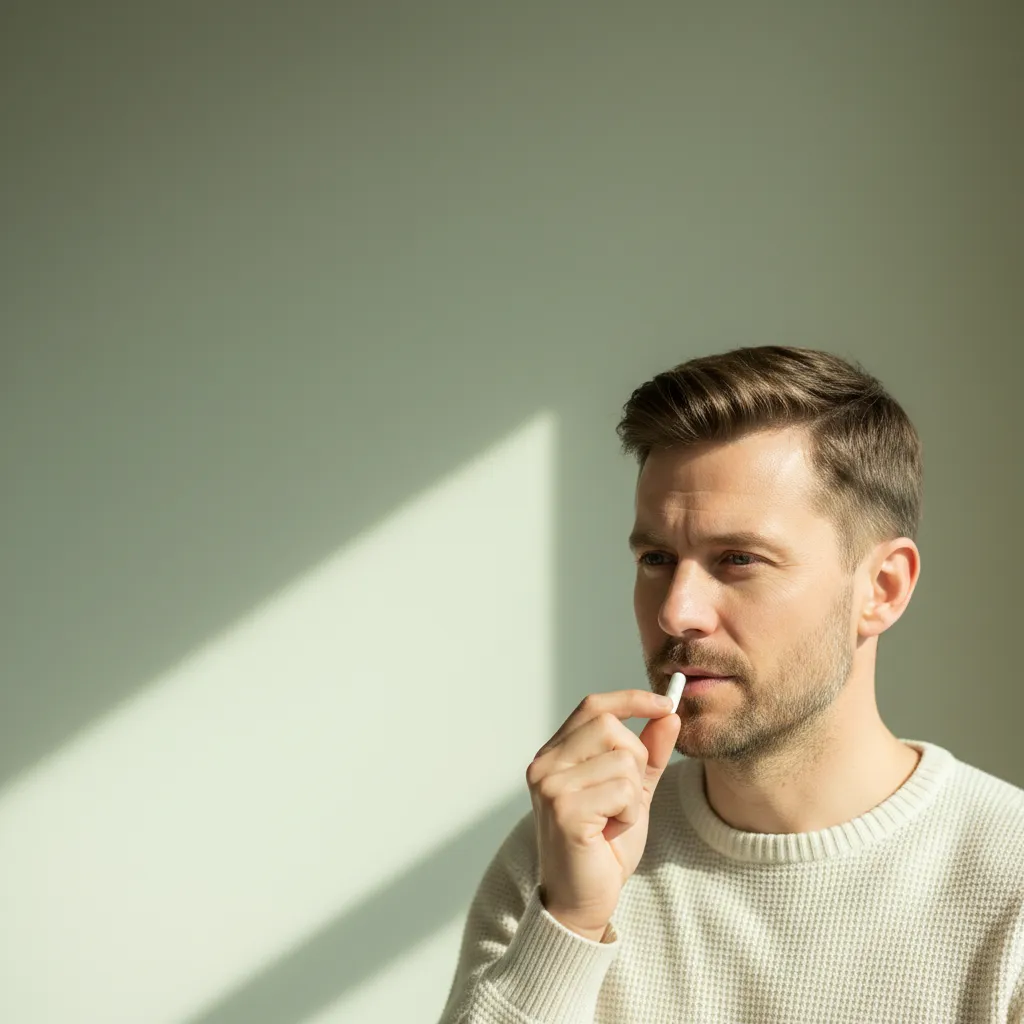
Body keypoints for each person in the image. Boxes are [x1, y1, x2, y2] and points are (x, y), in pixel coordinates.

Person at [438, 345, 1024, 1023]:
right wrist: (569, 923)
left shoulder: (1009, 886)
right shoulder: (565, 856)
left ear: (881, 589)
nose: (676, 612)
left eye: (739, 559)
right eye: (657, 558)